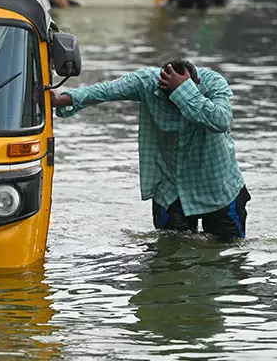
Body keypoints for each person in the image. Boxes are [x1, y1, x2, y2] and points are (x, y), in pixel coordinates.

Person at [50, 58, 250, 241]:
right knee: (170, 255)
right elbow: (105, 91)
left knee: (228, 253)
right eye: (171, 100)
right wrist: (62, 99)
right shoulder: (146, 82)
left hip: (218, 186)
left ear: (196, 83)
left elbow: (221, 121)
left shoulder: (214, 83)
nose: (176, 107)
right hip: (170, 188)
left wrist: (184, 92)